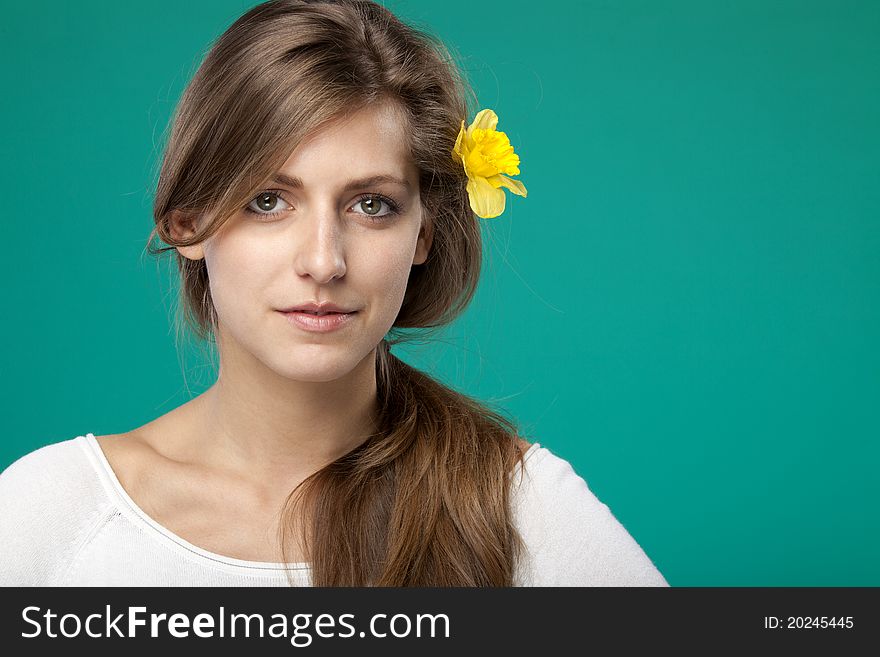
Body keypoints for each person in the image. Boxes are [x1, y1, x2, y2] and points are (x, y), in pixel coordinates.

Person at [0, 0, 668, 587]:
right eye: (269, 200)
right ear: (189, 222)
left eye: (372, 204)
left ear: (424, 235)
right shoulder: (52, 515)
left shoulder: (520, 508)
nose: (324, 260)